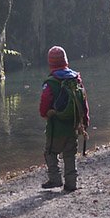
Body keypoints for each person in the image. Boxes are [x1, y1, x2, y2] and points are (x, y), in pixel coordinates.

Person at [39, 46, 90, 192]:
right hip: (73, 127)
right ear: (66, 62)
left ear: (50, 64)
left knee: (50, 152)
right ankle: (71, 183)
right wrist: (85, 122)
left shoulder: (50, 82)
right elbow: (84, 101)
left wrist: (45, 114)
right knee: (70, 155)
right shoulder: (75, 79)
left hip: (55, 129)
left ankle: (55, 179)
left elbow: (44, 103)